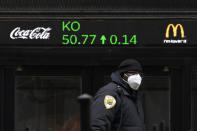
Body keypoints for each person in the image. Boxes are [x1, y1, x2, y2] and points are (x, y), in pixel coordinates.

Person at [91, 59, 146, 131]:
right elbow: (96, 125)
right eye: (133, 73)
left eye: (139, 74)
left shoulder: (133, 96)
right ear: (123, 74)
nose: (137, 77)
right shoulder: (110, 93)